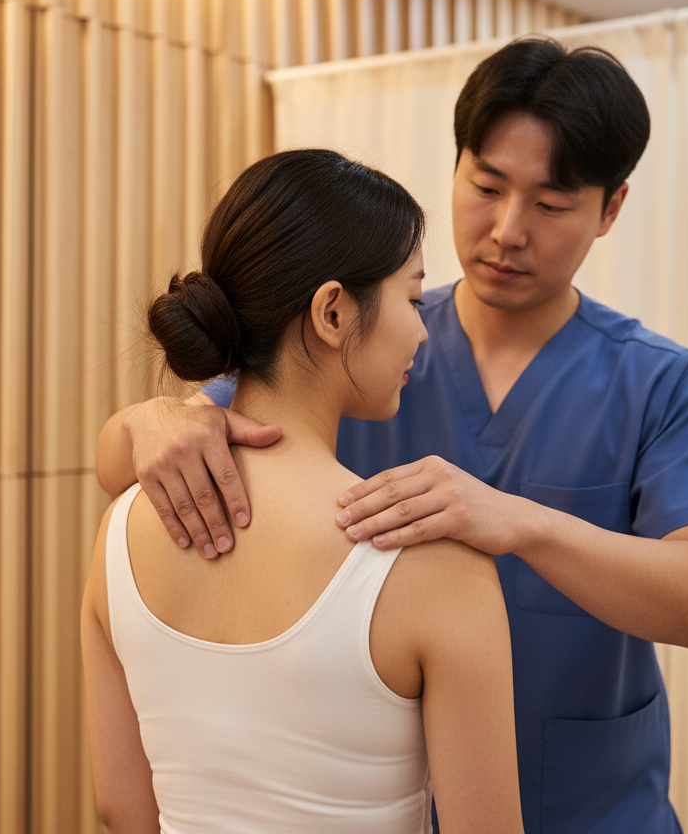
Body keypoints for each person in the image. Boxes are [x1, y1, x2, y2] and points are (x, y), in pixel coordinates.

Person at [96, 38, 688, 833]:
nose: (508, 230)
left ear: (610, 208)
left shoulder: (657, 382)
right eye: (486, 185)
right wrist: (150, 417)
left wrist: (522, 523)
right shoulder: (370, 347)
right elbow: (138, 462)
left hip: (596, 806)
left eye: (550, 205)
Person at [82, 148, 524, 834]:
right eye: (412, 298)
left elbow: (120, 806)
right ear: (333, 313)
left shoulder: (120, 531)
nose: (423, 327)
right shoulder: (436, 567)